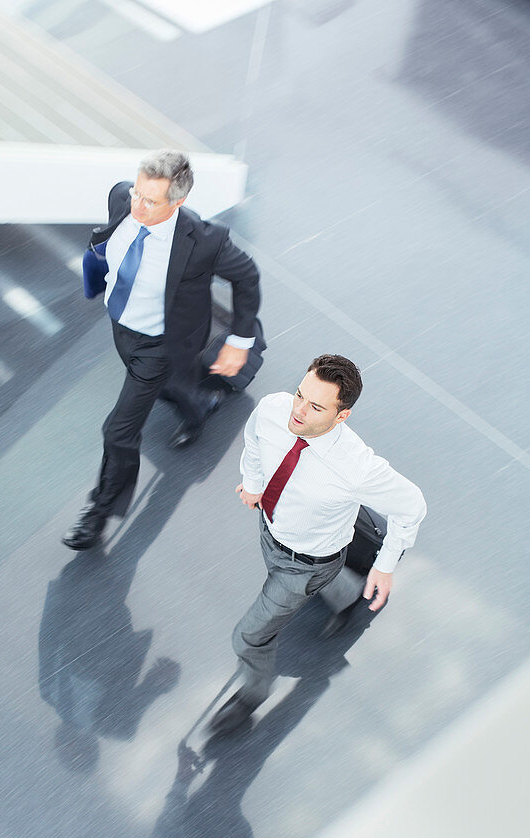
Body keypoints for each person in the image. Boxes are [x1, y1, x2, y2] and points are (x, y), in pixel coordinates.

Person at [209, 354, 426, 733]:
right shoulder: (274, 409)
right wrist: (254, 482)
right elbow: (254, 442)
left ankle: (251, 697)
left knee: (250, 636)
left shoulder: (356, 467)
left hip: (309, 562)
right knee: (298, 580)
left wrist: (386, 564)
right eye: (299, 394)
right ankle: (347, 594)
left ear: (341, 416)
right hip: (271, 528)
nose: (299, 410)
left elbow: (412, 506)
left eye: (315, 406)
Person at [62, 150, 261, 550]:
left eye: (150, 201)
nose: (137, 205)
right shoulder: (121, 197)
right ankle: (197, 404)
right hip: (121, 326)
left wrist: (240, 341)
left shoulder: (205, 241)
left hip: (160, 343)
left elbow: (248, 276)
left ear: (178, 201)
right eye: (137, 193)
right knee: (169, 386)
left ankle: (98, 513)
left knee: (118, 432)